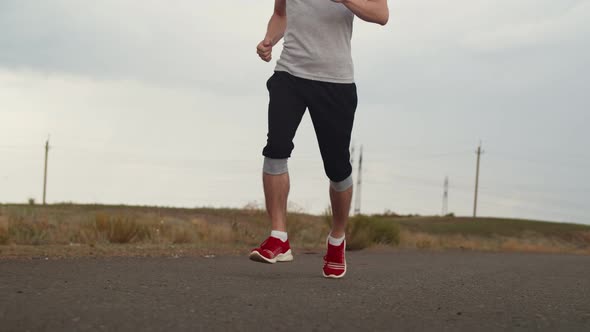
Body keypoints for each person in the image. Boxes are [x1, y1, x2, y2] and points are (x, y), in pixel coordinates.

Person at [249, 0, 389, 278]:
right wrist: (269, 40)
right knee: (276, 147)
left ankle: (337, 239)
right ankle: (279, 236)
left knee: (337, 169)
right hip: (289, 73)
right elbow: (280, 13)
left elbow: (381, 14)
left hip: (336, 82)